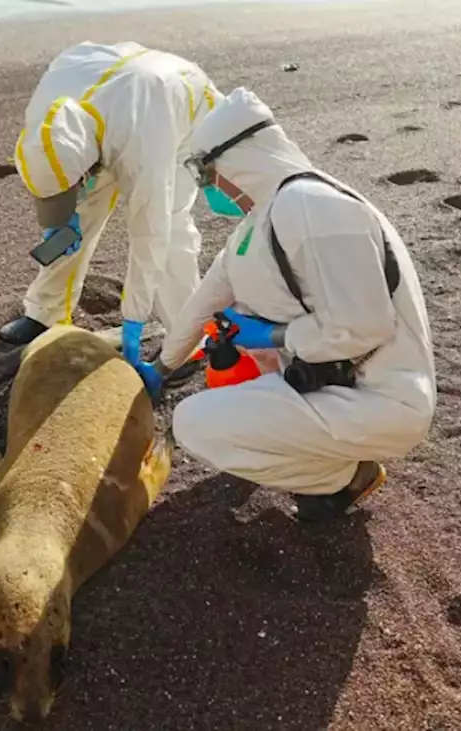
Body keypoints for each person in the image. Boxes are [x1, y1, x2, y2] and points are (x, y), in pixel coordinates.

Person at [135, 88, 437, 523]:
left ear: (239, 159)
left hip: (383, 398)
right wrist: (160, 367)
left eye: (208, 174)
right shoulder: (260, 222)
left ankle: (340, 476)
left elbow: (363, 327)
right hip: (330, 380)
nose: (210, 189)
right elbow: (206, 302)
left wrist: (274, 335)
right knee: (227, 383)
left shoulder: (314, 207)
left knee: (194, 423)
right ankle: (330, 462)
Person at [0, 40, 223, 373]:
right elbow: (53, 168)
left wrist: (133, 317)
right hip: (114, 108)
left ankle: (186, 341)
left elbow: (151, 232)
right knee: (80, 211)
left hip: (177, 115)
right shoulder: (46, 117)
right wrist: (60, 219)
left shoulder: (143, 142)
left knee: (170, 230)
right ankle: (46, 313)